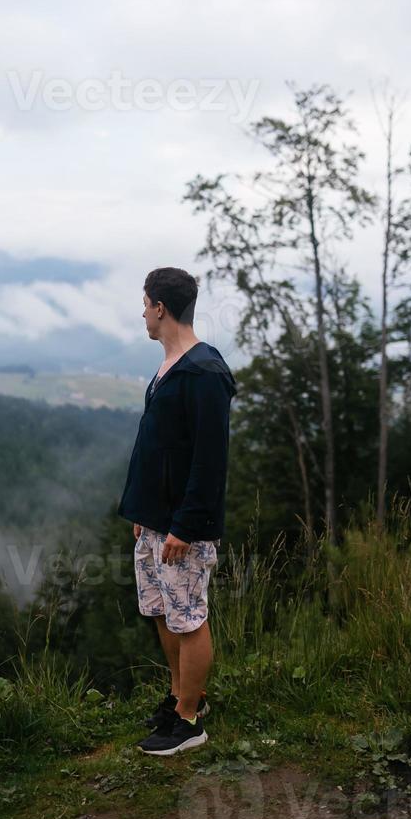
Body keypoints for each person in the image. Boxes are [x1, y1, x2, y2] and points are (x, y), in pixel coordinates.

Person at [117, 267, 237, 755]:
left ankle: (189, 722)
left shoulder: (204, 373)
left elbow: (210, 461)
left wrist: (185, 525)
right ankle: (180, 697)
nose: (142, 312)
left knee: (189, 617)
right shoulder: (171, 364)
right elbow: (163, 447)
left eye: (145, 303)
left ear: (160, 307)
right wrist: (145, 512)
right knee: (164, 612)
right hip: (156, 521)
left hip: (182, 528)